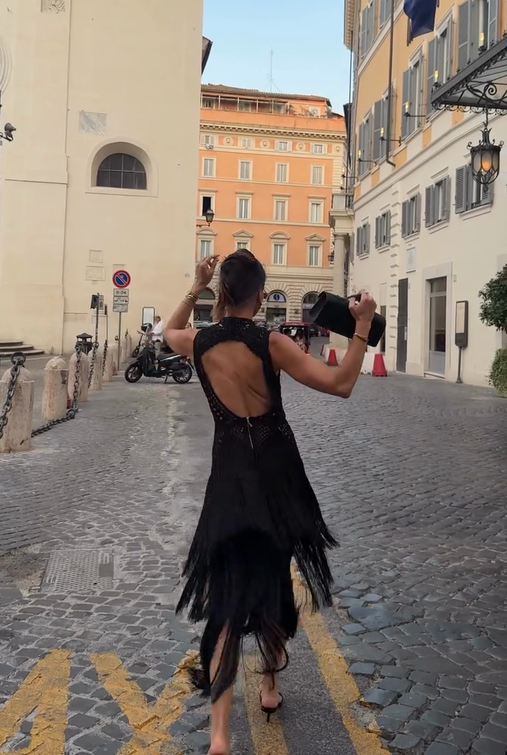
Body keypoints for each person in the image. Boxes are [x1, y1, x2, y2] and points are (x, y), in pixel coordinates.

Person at [165, 252, 376, 755]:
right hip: (277, 479)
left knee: (223, 601)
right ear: (261, 296)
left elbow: (167, 331)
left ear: (221, 292)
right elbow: (341, 384)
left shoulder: (199, 341)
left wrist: (195, 286)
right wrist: (363, 326)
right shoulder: (272, 342)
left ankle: (219, 735)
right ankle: (269, 686)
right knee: (275, 579)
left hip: (228, 478)